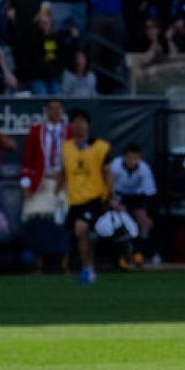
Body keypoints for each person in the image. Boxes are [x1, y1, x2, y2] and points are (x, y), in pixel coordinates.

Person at [58, 109, 112, 285]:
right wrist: (57, 194)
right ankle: (86, 266)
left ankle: (87, 268)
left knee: (81, 229)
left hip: (94, 197)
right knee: (79, 234)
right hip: (74, 199)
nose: (79, 125)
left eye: (82, 121)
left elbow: (108, 173)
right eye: (75, 121)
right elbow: (63, 172)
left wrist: (109, 195)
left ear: (88, 124)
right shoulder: (66, 147)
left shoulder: (100, 147)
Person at [108, 143, 158, 265]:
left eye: (136, 158)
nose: (132, 161)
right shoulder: (115, 166)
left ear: (140, 159)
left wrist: (148, 216)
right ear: (124, 157)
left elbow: (150, 194)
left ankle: (138, 253)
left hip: (137, 197)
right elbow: (108, 187)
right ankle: (122, 256)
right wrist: (114, 202)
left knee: (144, 222)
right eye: (129, 158)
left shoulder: (144, 169)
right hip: (119, 196)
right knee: (119, 221)